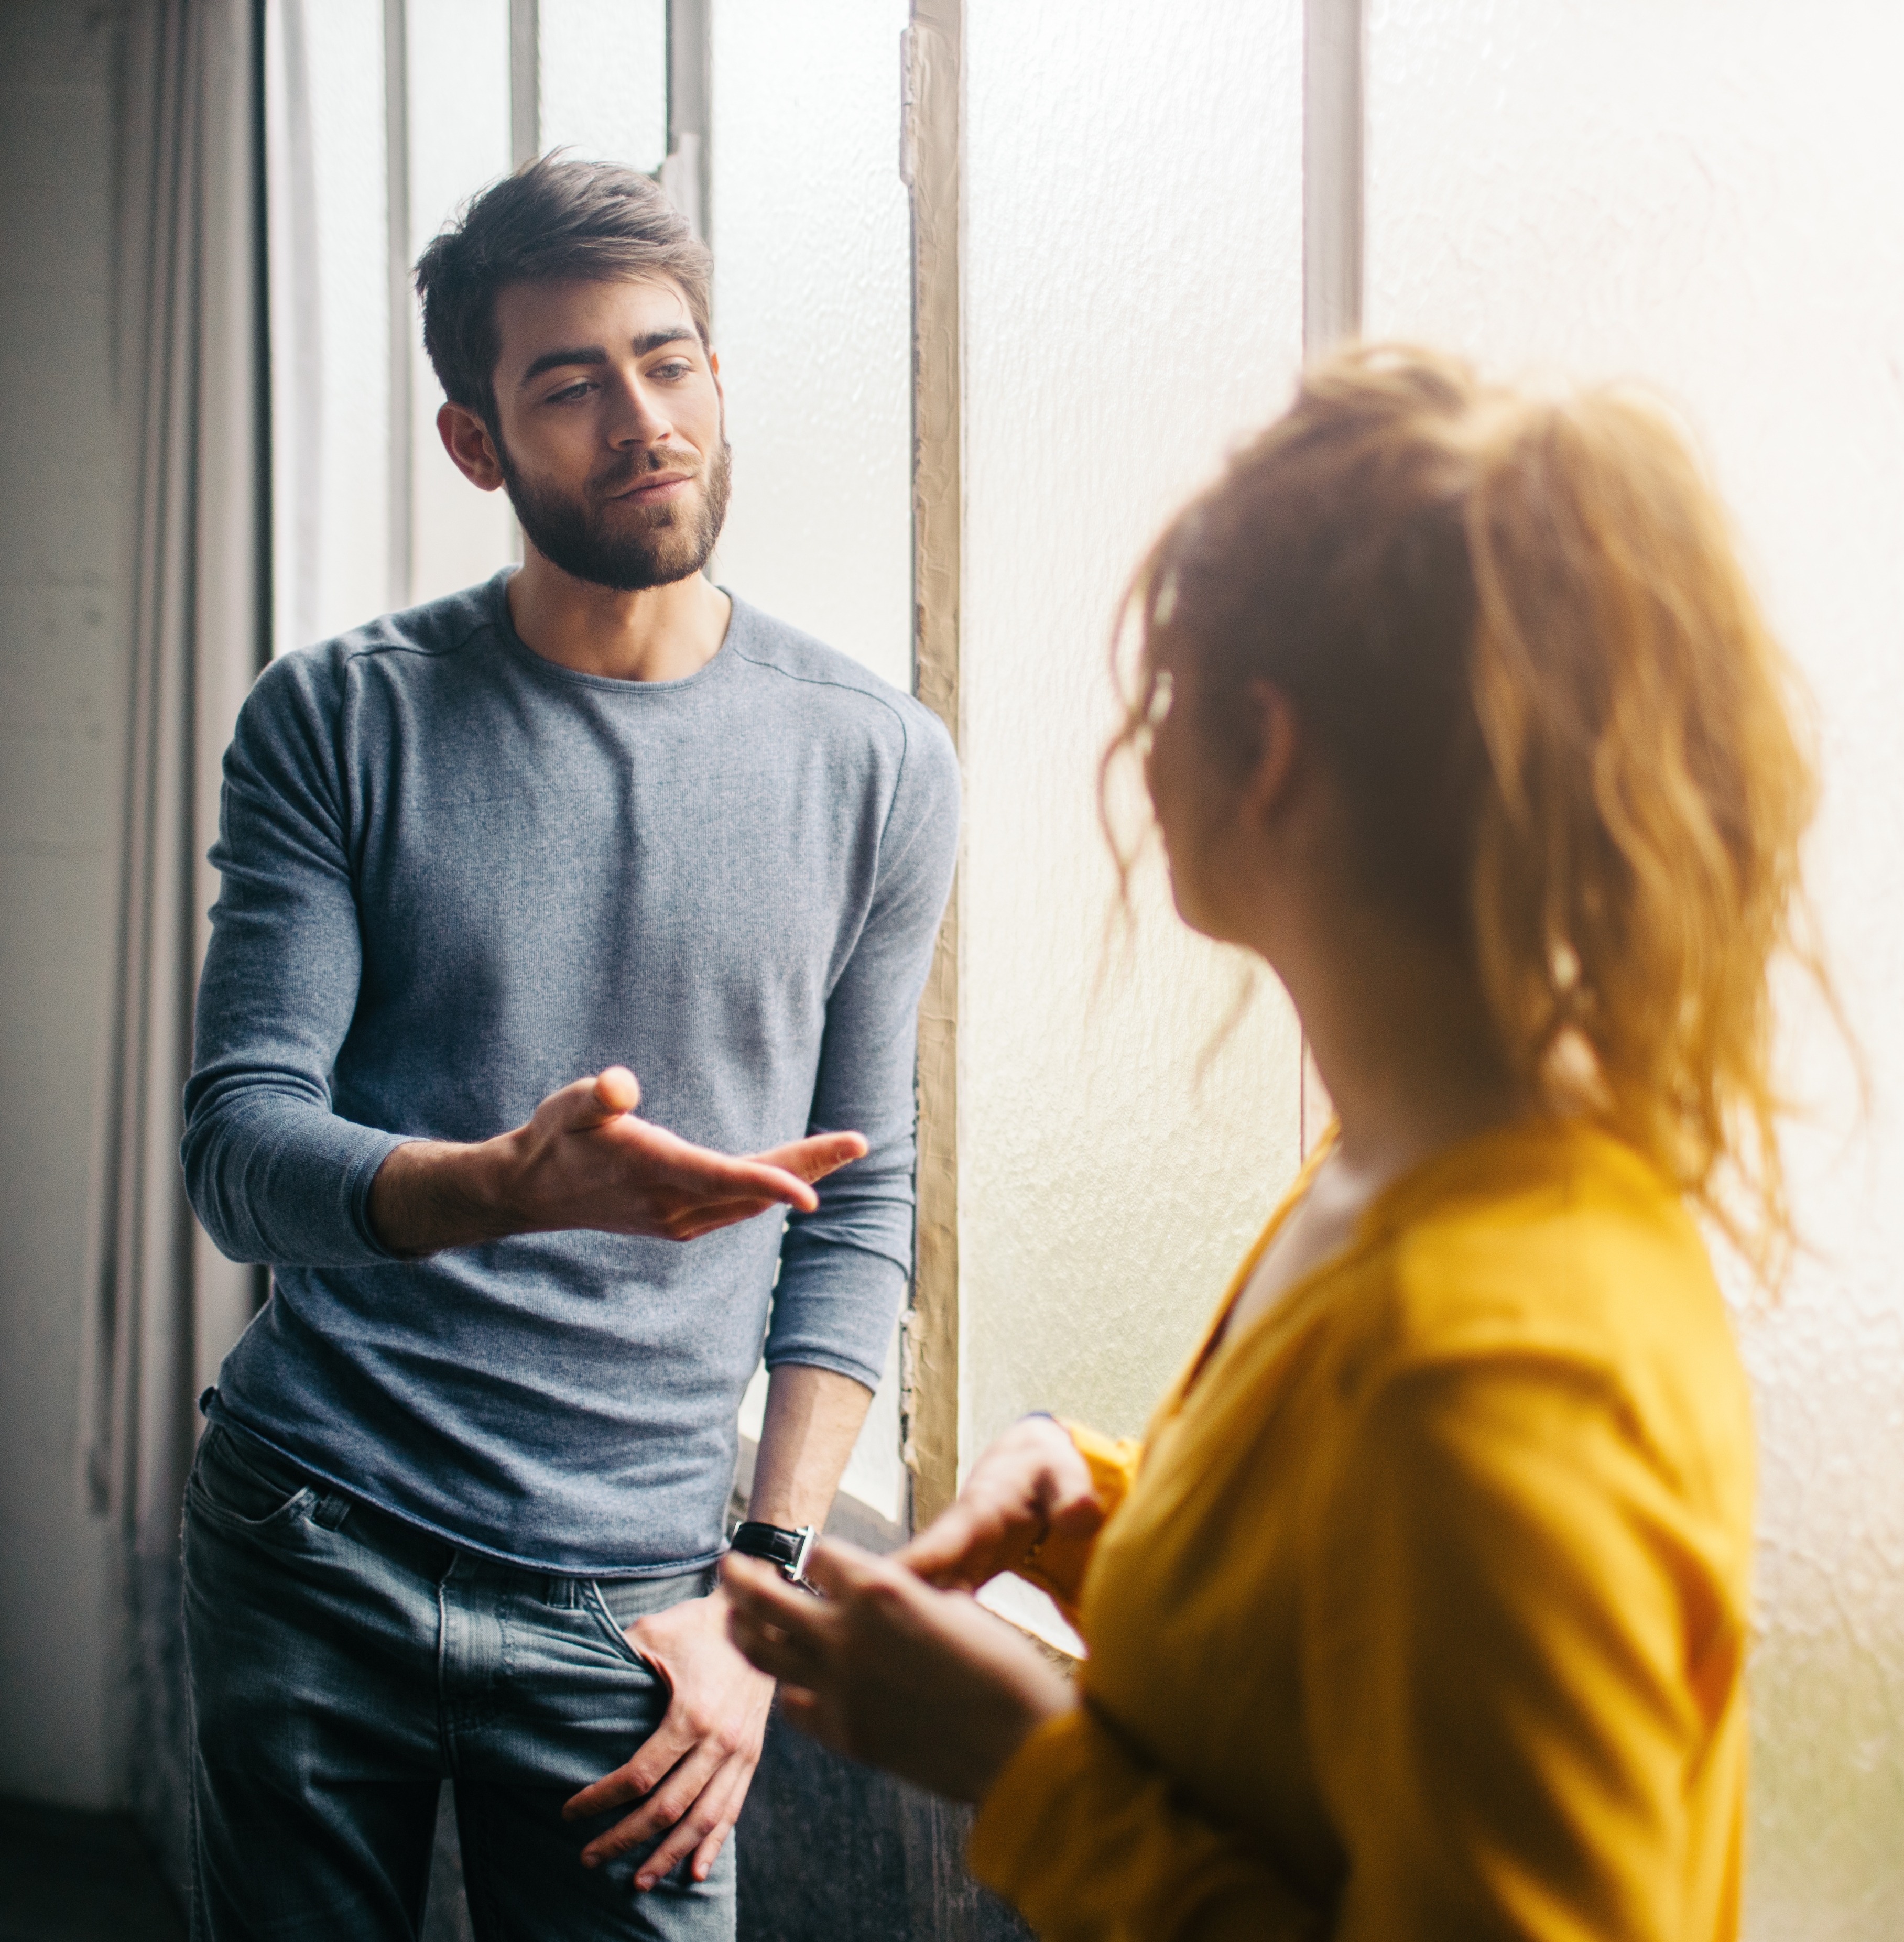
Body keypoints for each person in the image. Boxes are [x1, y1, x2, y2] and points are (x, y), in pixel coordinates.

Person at [725, 345, 1827, 1940]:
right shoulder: (1403, 1167)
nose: (1134, 746)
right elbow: (1369, 1640)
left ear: (1268, 747)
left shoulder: (1500, 1373)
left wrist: (1022, 1766)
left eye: (1167, 694)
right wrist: (1105, 1519)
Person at [179, 156, 957, 1941]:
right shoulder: (336, 718)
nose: (641, 419)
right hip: (316, 1534)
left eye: (668, 362)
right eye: (570, 384)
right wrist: (501, 1186)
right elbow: (240, 1146)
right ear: (477, 444)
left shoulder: (877, 761)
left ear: (716, 377)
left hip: (637, 1602)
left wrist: (761, 1589)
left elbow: (857, 1202)